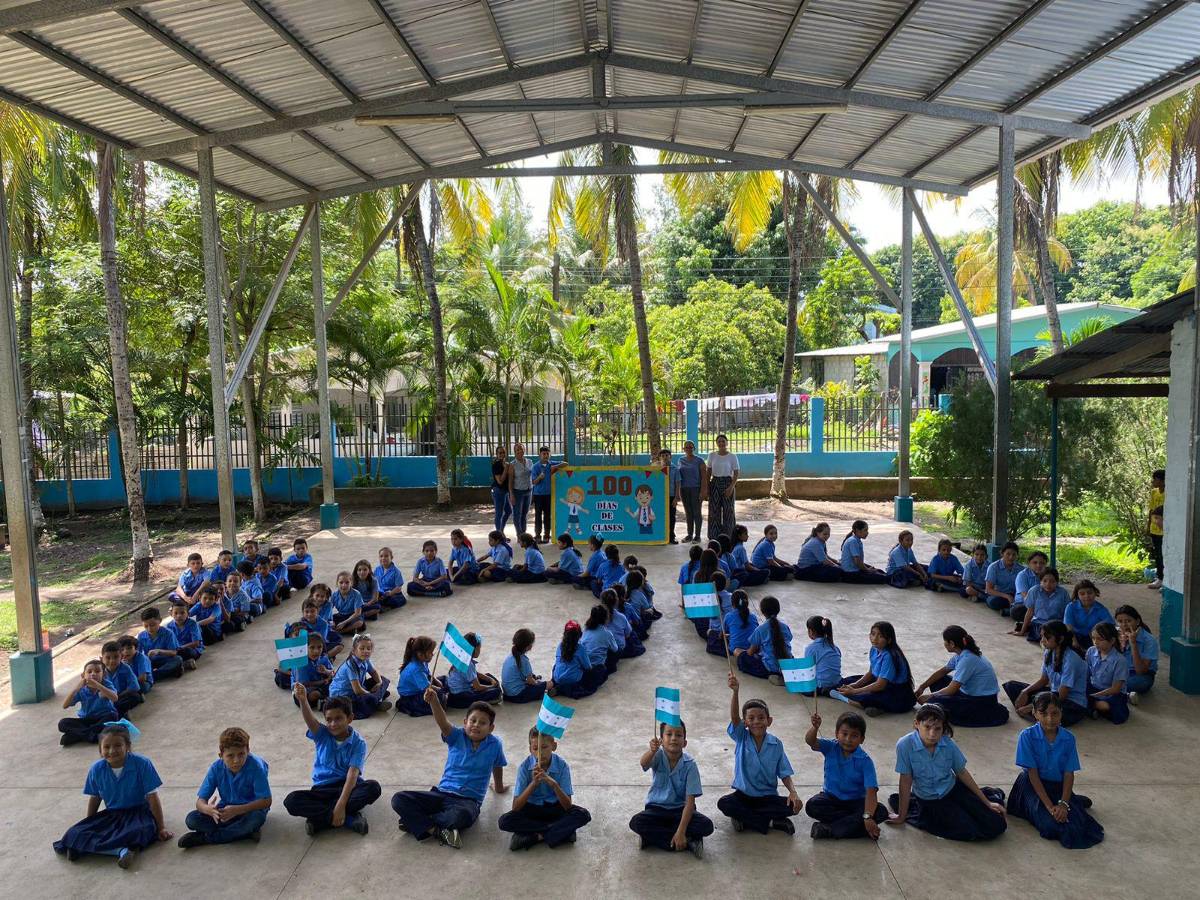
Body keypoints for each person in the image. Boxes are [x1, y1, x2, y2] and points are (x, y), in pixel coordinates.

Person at [390, 692, 508, 849]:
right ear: (465, 722)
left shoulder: (495, 745)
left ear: (491, 728)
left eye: (482, 723)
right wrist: (434, 702)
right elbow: (442, 722)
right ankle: (436, 830)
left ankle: (416, 822)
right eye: (473, 721)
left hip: (468, 801)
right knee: (399, 799)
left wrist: (498, 787)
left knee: (462, 816)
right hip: (440, 794)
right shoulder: (457, 736)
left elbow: (497, 765)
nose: (476, 725)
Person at [53, 723, 171, 867]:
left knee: (143, 830)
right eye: (106, 747)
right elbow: (95, 798)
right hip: (112, 814)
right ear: (100, 750)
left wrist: (161, 828)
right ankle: (119, 850)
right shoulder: (96, 769)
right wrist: (91, 824)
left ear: (127, 746)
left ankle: (93, 849)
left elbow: (153, 798)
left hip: (138, 813)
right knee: (74, 833)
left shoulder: (142, 764)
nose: (112, 751)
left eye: (117, 746)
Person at [886, 703, 1007, 842]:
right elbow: (906, 780)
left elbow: (961, 772)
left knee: (997, 825)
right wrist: (902, 815)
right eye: (927, 727)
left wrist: (986, 802)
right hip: (930, 800)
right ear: (916, 724)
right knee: (968, 830)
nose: (932, 734)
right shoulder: (904, 745)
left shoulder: (948, 744)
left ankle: (990, 796)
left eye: (938, 729)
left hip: (953, 789)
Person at [1006, 692, 1104, 849]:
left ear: (1061, 713)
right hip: (1033, 785)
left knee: (1077, 825)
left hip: (1058, 785)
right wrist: (1049, 806)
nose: (1050, 719)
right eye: (1043, 714)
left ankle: (1072, 800)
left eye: (1055, 713)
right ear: (1034, 714)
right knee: (1050, 826)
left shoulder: (1068, 738)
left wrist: (1063, 804)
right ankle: (1073, 801)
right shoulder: (1027, 736)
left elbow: (1068, 773)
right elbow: (1032, 773)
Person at [283, 690, 380, 836]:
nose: (333, 724)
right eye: (329, 719)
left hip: (347, 787)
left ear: (350, 718)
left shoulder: (358, 743)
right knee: (291, 801)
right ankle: (348, 819)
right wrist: (303, 700)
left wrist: (341, 804)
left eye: (338, 718)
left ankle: (321, 820)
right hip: (322, 789)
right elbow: (310, 720)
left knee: (373, 787)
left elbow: (352, 775)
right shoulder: (322, 734)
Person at [716, 673, 802, 835]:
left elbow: (784, 773)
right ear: (745, 722)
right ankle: (768, 822)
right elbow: (734, 717)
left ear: (769, 721)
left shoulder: (776, 744)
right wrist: (735, 692)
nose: (756, 721)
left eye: (761, 718)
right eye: (751, 718)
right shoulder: (742, 737)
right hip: (743, 796)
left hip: (767, 797)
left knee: (794, 806)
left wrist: (793, 792)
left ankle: (744, 818)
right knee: (724, 803)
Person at [629, 720, 712, 857]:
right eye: (669, 734)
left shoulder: (690, 765)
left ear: (685, 742)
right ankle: (689, 842)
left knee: (707, 825)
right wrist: (651, 750)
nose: (674, 738)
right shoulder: (657, 756)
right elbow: (643, 763)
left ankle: (654, 839)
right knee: (636, 822)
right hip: (656, 809)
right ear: (661, 740)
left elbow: (690, 803)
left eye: (679, 735)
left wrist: (681, 830)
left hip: (680, 811)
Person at [178, 727, 271, 848]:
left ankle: (205, 838)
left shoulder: (256, 767)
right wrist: (208, 809)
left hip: (250, 810)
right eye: (230, 756)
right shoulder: (216, 768)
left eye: (241, 754)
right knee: (192, 819)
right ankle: (242, 833)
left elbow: (266, 801)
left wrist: (237, 810)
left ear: (248, 750)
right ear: (221, 755)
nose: (236, 760)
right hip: (225, 810)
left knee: (255, 819)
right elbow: (200, 802)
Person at [500, 728, 592, 850]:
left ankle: (534, 836)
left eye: (544, 747)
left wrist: (553, 784)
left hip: (555, 808)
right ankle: (559, 832)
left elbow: (567, 806)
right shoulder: (524, 767)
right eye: (535, 748)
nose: (540, 753)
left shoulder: (562, 766)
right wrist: (533, 784)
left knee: (583, 814)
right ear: (530, 749)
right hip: (531, 810)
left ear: (553, 746)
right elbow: (516, 807)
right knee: (505, 821)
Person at [803, 711, 887, 840]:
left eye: (854, 736)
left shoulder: (865, 761)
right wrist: (815, 727)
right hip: (831, 798)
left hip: (856, 801)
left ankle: (830, 830)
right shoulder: (831, 746)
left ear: (862, 739)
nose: (848, 739)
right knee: (812, 806)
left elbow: (871, 792)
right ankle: (853, 824)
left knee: (881, 812)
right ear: (837, 734)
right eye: (844, 734)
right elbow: (810, 741)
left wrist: (867, 816)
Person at [914, 626, 1008, 727]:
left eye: (945, 641)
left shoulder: (967, 659)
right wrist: (922, 687)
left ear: (952, 644)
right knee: (938, 680)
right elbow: (942, 671)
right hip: (967, 693)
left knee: (932, 703)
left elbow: (951, 690)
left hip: (980, 702)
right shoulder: (961, 654)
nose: (944, 644)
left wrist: (930, 696)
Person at [1002, 620, 1089, 725]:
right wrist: (1024, 692)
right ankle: (1038, 713)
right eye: (1042, 636)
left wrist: (1032, 706)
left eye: (1047, 637)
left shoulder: (1071, 660)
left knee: (1053, 713)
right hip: (1053, 694)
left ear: (1060, 639)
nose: (1042, 640)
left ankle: (1038, 713)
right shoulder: (1049, 652)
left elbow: (1062, 695)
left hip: (1070, 702)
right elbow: (1043, 680)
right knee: (1011, 686)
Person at [837, 621, 917, 716]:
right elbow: (871, 673)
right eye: (873, 634)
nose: (875, 638)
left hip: (896, 692)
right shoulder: (874, 649)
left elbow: (880, 685)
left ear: (889, 640)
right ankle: (874, 706)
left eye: (880, 636)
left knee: (865, 697)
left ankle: (850, 700)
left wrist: (854, 691)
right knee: (846, 682)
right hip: (880, 681)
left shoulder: (889, 655)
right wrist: (854, 685)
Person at [329, 633, 392, 718]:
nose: (366, 651)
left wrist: (379, 683)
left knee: (384, 680)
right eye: (362, 648)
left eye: (368, 649)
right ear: (354, 651)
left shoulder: (366, 659)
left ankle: (376, 699)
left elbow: (374, 672)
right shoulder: (350, 666)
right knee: (364, 701)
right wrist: (370, 694)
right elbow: (357, 690)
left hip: (358, 687)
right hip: (344, 696)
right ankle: (377, 701)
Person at [58, 660, 119, 746]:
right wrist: (76, 689)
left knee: (113, 716)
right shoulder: (81, 689)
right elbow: (65, 705)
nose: (93, 674)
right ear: (83, 675)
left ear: (104, 675)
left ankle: (77, 735)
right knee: (63, 723)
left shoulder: (106, 684)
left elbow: (115, 698)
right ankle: (92, 735)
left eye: (97, 671)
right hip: (86, 719)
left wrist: (98, 686)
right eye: (89, 672)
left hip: (103, 717)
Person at [738, 596, 792, 685]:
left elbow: (750, 652)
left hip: (769, 667)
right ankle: (784, 676)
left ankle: (771, 675)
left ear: (762, 612)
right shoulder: (785, 627)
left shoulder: (760, 629)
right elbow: (788, 640)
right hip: (786, 665)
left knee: (743, 658)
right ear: (778, 610)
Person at [1086, 622, 1130, 724]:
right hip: (1094, 687)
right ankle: (1091, 707)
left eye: (1100, 639)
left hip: (1112, 693)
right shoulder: (1091, 652)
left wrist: (1094, 696)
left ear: (1112, 641)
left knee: (1105, 706)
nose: (1095, 642)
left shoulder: (1119, 660)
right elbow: (1087, 675)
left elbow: (1115, 689)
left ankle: (1091, 707)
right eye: (1093, 638)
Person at [1011, 566, 1068, 643]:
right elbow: (1030, 612)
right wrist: (1022, 631)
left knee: (1061, 637)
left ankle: (1028, 627)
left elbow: (1067, 613)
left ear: (1057, 582)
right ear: (1040, 581)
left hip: (1056, 624)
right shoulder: (1034, 591)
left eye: (1052, 581)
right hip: (1039, 623)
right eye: (1045, 581)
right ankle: (1027, 626)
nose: (1048, 584)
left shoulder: (1063, 593)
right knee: (1047, 636)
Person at [445, 631, 502, 707]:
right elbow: (477, 687)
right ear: (473, 649)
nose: (480, 651)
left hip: (454, 692)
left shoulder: (461, 658)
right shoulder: (468, 664)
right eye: (479, 648)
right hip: (461, 696)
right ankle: (488, 699)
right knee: (496, 691)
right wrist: (491, 687)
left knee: (488, 676)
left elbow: (475, 674)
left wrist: (490, 679)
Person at [1115, 603, 1158, 703]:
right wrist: (1120, 645)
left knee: (1139, 684)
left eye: (1128, 621)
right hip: (1120, 672)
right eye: (1120, 622)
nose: (1124, 625)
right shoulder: (1116, 634)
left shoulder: (1149, 640)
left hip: (1140, 675)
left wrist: (1133, 644)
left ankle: (1113, 690)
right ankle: (1124, 695)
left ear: (1137, 621)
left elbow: (1140, 671)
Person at [398, 636, 448, 717]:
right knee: (438, 696)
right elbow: (427, 688)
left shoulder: (422, 661)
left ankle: (444, 697)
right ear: (420, 654)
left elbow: (428, 674)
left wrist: (437, 681)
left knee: (444, 679)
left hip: (419, 687)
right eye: (430, 653)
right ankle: (404, 705)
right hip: (410, 697)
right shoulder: (416, 669)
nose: (432, 654)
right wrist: (442, 690)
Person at [552, 620, 601, 699]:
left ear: (565, 634)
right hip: (573, 680)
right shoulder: (580, 649)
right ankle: (564, 689)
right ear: (579, 635)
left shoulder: (560, 646)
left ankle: (557, 685)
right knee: (599, 670)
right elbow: (588, 667)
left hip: (557, 678)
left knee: (555, 666)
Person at [1063, 579, 1113, 652]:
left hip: (1093, 637)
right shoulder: (1071, 607)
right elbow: (1068, 627)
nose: (1086, 596)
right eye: (1082, 594)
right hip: (1075, 636)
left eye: (1090, 593)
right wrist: (1074, 641)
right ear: (1077, 595)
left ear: (1095, 593)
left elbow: (1110, 625)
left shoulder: (1101, 609)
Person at [502, 628, 549, 703]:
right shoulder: (524, 660)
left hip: (507, 694)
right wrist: (538, 684)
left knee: (535, 682)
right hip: (518, 696)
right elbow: (530, 681)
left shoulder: (511, 656)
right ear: (528, 646)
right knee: (547, 684)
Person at [706, 433, 739, 541]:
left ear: (727, 443)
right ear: (716, 443)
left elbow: (736, 473)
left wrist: (730, 488)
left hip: (728, 483)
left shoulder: (732, 456)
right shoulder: (712, 455)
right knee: (714, 510)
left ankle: (729, 535)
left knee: (728, 510)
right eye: (719, 441)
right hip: (714, 482)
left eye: (723, 441)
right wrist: (707, 487)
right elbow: (708, 472)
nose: (721, 443)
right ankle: (714, 535)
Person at [136, 607, 184, 680]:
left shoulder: (168, 633)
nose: (149, 628)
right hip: (150, 661)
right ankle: (170, 672)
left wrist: (159, 651)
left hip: (164, 660)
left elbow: (174, 652)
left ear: (160, 621)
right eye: (146, 626)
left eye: (153, 625)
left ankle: (152, 677)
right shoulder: (141, 636)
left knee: (178, 659)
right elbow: (137, 654)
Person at [531, 446, 566, 544]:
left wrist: (556, 467)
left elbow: (565, 464)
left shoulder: (551, 464)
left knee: (547, 516)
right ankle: (538, 535)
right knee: (538, 516)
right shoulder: (535, 467)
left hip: (549, 495)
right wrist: (539, 477)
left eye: (547, 454)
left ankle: (547, 535)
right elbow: (533, 482)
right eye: (544, 454)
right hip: (538, 495)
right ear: (540, 455)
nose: (546, 456)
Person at [288, 632, 334, 706]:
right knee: (314, 695)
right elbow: (304, 684)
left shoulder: (323, 658)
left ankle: (324, 701)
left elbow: (332, 672)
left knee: (337, 682)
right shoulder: (301, 663)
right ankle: (325, 701)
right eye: (312, 647)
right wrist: (323, 681)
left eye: (319, 647)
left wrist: (326, 671)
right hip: (304, 688)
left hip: (321, 684)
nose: (316, 651)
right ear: (305, 648)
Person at [802, 616, 842, 695]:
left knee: (796, 683)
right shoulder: (835, 647)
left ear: (811, 631)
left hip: (820, 686)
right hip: (837, 683)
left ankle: (824, 690)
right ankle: (830, 690)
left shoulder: (811, 648)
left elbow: (808, 672)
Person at [100, 641, 142, 716]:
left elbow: (135, 687)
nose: (112, 661)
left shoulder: (126, 668)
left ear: (122, 657)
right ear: (101, 658)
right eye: (108, 658)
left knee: (135, 697)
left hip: (122, 695)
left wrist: (118, 696)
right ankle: (114, 712)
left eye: (116, 657)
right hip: (108, 698)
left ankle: (116, 712)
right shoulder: (99, 671)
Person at [677, 440, 706, 542]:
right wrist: (678, 492)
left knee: (697, 512)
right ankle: (689, 535)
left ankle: (697, 536)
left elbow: (704, 477)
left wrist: (703, 491)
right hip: (684, 489)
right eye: (686, 447)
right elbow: (678, 477)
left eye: (691, 447)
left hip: (696, 489)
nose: (688, 449)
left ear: (694, 448)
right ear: (683, 449)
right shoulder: (680, 460)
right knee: (688, 513)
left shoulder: (700, 461)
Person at [984, 541, 1024, 614]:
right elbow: (988, 589)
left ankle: (1008, 611)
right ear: (1002, 554)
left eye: (1014, 554)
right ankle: (1012, 610)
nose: (1011, 557)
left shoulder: (1021, 569)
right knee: (993, 602)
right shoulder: (993, 567)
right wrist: (1007, 596)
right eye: (1008, 554)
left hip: (1016, 596)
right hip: (1000, 595)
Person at [1009, 551, 1048, 624]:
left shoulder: (1048, 575)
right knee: (1017, 611)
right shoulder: (1022, 575)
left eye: (1042, 563)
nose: (1038, 565)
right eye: (1035, 562)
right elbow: (1026, 597)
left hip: (1045, 604)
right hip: (1024, 604)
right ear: (1029, 564)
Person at [603, 588, 644, 659]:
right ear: (616, 600)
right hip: (618, 649)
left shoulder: (597, 615)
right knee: (635, 638)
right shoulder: (621, 616)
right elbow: (627, 635)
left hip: (604, 650)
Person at [580, 604, 619, 677]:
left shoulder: (585, 629)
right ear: (605, 618)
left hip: (583, 665)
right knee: (613, 651)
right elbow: (615, 649)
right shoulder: (607, 633)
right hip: (596, 667)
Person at [724, 592, 760, 660]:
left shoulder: (728, 616)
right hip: (752, 648)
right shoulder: (753, 616)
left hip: (736, 649)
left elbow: (722, 634)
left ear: (732, 603)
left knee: (712, 634)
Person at [510, 443, 535, 537]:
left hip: (529, 490)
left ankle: (524, 534)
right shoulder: (512, 465)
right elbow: (510, 481)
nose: (519, 451)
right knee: (517, 514)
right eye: (517, 450)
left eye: (521, 449)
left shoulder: (529, 461)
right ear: (515, 452)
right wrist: (511, 494)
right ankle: (519, 535)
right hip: (517, 492)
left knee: (524, 514)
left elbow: (533, 474)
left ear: (524, 450)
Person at [659, 447, 681, 543]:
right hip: (660, 497)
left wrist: (676, 497)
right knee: (661, 517)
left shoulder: (675, 469)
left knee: (671, 517)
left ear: (670, 457)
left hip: (671, 496)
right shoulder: (657, 469)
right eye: (662, 456)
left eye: (667, 456)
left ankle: (671, 537)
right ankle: (662, 536)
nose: (664, 458)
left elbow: (678, 483)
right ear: (660, 458)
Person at [1148, 467, 1165, 589]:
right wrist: (1148, 525)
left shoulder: (1170, 492)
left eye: (1155, 479)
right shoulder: (1154, 492)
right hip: (1155, 528)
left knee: (1165, 555)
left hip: (1164, 528)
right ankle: (1160, 578)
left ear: (1162, 480)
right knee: (1158, 554)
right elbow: (1151, 510)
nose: (1153, 481)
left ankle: (1166, 580)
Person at [490, 445, 513, 534]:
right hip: (498, 491)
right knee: (499, 514)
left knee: (508, 511)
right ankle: (499, 536)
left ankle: (500, 532)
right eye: (500, 453)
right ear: (497, 454)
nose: (502, 454)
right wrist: (506, 469)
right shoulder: (496, 464)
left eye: (503, 452)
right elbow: (500, 481)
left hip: (505, 492)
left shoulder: (506, 463)